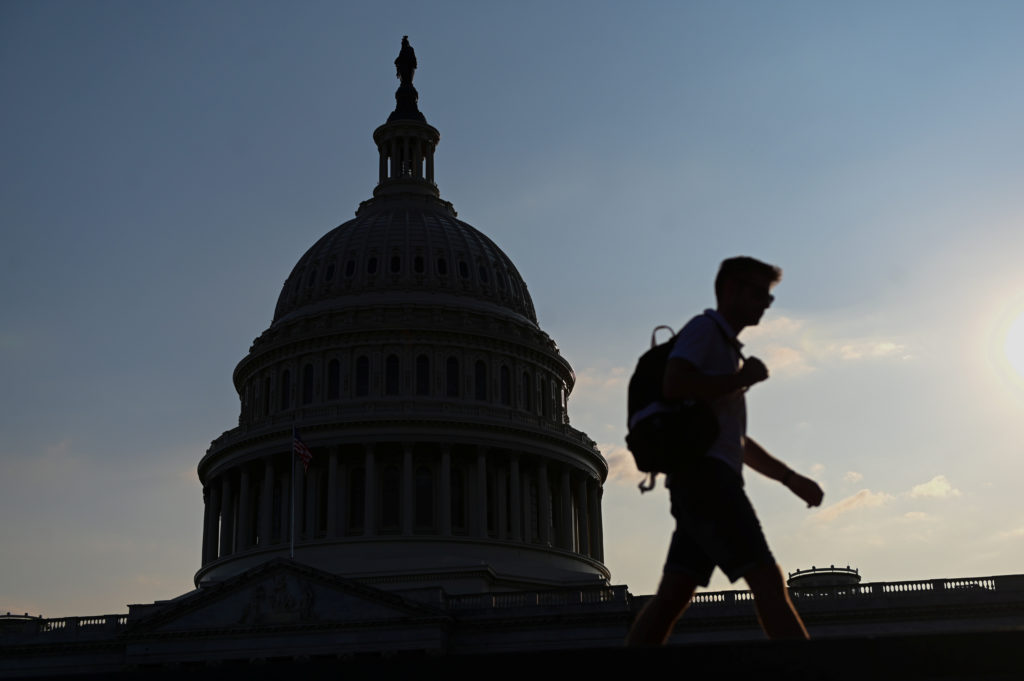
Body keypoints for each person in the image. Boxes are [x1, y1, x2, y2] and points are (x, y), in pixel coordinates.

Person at [625, 256, 824, 645]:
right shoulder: (705, 331)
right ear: (730, 289)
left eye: (768, 298)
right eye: (758, 293)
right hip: (708, 481)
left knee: (674, 595)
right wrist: (740, 378)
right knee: (767, 578)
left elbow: (735, 442)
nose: (766, 304)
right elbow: (674, 383)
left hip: (703, 480)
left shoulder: (723, 346)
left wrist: (789, 478)